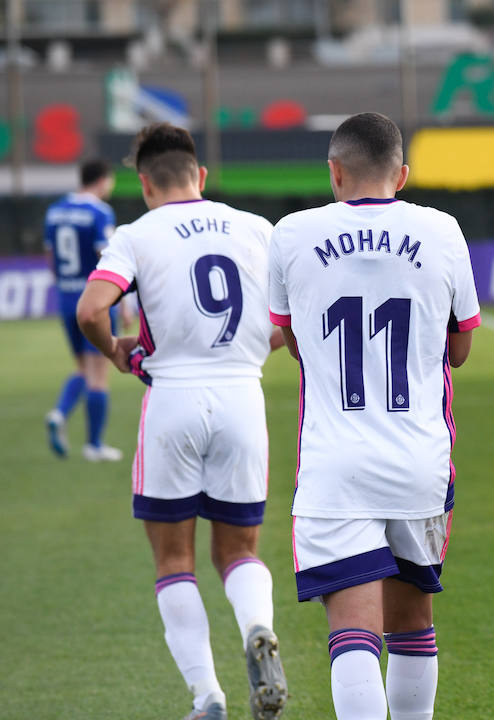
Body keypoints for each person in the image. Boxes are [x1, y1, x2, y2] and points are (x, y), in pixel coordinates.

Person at [268, 111, 480, 720]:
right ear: (404, 174)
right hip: (420, 459)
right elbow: (460, 348)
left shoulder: (291, 233)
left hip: (335, 464)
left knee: (353, 634)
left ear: (333, 171)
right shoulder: (441, 230)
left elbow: (291, 340)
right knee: (413, 623)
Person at [76, 123, 287, 720]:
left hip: (171, 399)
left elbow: (92, 308)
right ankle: (258, 626)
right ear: (200, 175)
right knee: (240, 551)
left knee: (174, 561)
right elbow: (288, 320)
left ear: (145, 184)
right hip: (243, 397)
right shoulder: (256, 228)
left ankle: (208, 696)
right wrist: (255, 347)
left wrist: (115, 348)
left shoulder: (136, 235)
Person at [44, 158, 123, 461]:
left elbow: (51, 257)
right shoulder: (100, 212)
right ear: (103, 179)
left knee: (83, 368)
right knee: (99, 375)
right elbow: (108, 259)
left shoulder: (55, 211)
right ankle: (94, 444)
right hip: (94, 300)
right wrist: (122, 301)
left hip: (65, 298)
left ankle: (59, 413)